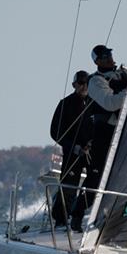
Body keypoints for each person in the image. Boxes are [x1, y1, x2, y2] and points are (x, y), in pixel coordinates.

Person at [70, 44, 127, 232]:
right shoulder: (95, 82)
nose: (109, 57)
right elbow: (110, 103)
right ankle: (77, 214)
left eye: (110, 53)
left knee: (126, 176)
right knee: (96, 180)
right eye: (104, 55)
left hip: (125, 132)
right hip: (103, 133)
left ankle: (121, 221)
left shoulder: (125, 74)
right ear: (97, 61)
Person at [49, 70, 93, 226]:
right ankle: (60, 220)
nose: (83, 86)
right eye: (80, 83)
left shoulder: (95, 102)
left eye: (86, 83)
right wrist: (74, 148)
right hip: (72, 154)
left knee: (96, 183)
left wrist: (91, 144)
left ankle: (79, 215)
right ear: (74, 85)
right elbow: (55, 132)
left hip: (93, 153)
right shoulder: (65, 104)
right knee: (68, 187)